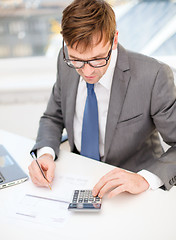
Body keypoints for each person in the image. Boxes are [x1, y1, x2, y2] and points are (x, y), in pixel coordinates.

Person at [28, 0, 176, 198]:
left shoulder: (154, 76)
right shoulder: (64, 60)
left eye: (97, 59)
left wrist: (145, 179)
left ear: (114, 40)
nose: (87, 71)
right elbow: (53, 117)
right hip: (78, 176)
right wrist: (45, 153)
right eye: (78, 60)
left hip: (134, 190)